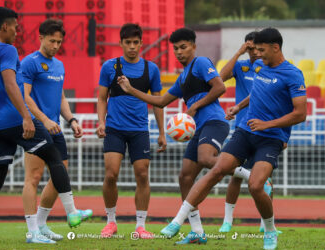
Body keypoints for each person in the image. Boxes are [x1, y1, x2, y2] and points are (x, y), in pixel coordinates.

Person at [159, 27, 307, 250]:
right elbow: (256, 91)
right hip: (245, 132)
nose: (257, 54)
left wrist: (268, 124)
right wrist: (238, 106)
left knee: (256, 186)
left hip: (271, 138)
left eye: (261, 50)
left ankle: (269, 229)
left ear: (275, 48)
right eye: (255, 49)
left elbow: (300, 113)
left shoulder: (293, 74)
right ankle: (177, 221)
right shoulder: (261, 68)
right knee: (217, 169)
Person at [0, 7, 84, 249]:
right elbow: (11, 84)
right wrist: (26, 116)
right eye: (14, 25)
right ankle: (72, 212)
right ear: (5, 26)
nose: (17, 30)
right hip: (15, 119)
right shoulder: (7, 49)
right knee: (55, 157)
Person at [117, 27, 230, 245]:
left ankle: (246, 173)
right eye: (176, 48)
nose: (179, 52)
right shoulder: (182, 77)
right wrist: (131, 90)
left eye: (184, 47)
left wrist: (195, 105)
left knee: (207, 159)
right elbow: (160, 101)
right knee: (185, 177)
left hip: (215, 122)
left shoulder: (201, 63)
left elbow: (220, 87)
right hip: (198, 128)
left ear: (194, 47)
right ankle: (197, 231)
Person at [21, 19, 92, 243]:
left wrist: (71, 120)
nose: (55, 45)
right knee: (33, 177)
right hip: (35, 126)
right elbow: (25, 96)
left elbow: (60, 97)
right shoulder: (29, 62)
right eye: (52, 41)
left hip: (56, 127)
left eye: (59, 42)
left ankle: (42, 225)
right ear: (40, 37)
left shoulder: (59, 65)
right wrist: (42, 120)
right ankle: (31, 232)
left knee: (59, 176)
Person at [96, 23, 167, 239]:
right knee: (111, 174)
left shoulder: (151, 69)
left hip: (139, 130)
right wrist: (101, 122)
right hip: (114, 128)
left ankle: (141, 225)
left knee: (143, 175)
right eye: (128, 43)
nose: (132, 47)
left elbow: (158, 102)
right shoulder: (109, 67)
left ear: (141, 43)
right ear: (121, 43)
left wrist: (162, 132)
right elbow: (101, 98)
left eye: (136, 43)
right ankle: (110, 222)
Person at [218, 31, 273, 233]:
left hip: (264, 128)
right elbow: (221, 77)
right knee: (235, 177)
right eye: (250, 48)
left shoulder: (268, 68)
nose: (254, 52)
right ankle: (227, 221)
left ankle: (265, 225)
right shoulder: (241, 67)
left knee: (266, 178)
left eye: (257, 48)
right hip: (242, 128)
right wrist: (239, 51)